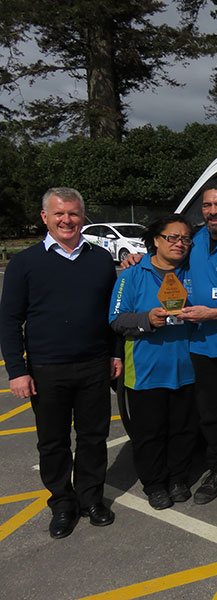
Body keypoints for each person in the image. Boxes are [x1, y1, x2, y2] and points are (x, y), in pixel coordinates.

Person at [126, 180, 217, 520]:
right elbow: (166, 254)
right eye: (207, 206)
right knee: (212, 417)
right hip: (201, 346)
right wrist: (138, 257)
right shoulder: (196, 240)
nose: (212, 211)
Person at [0, 187, 121, 539]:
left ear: (83, 217)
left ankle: (91, 499)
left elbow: (112, 313)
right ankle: (63, 503)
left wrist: (115, 353)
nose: (67, 220)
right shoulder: (24, 263)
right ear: (45, 218)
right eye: (59, 214)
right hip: (46, 369)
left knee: (93, 437)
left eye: (73, 213)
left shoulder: (100, 259)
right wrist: (17, 371)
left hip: (94, 364)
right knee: (52, 442)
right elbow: (9, 321)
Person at [109, 215, 197, 510]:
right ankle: (155, 484)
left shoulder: (194, 271)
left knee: (183, 430)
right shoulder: (131, 275)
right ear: (156, 240)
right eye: (172, 237)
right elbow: (116, 319)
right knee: (150, 433)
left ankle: (177, 478)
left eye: (185, 239)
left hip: (186, 369)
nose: (179, 244)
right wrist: (147, 319)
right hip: (146, 370)